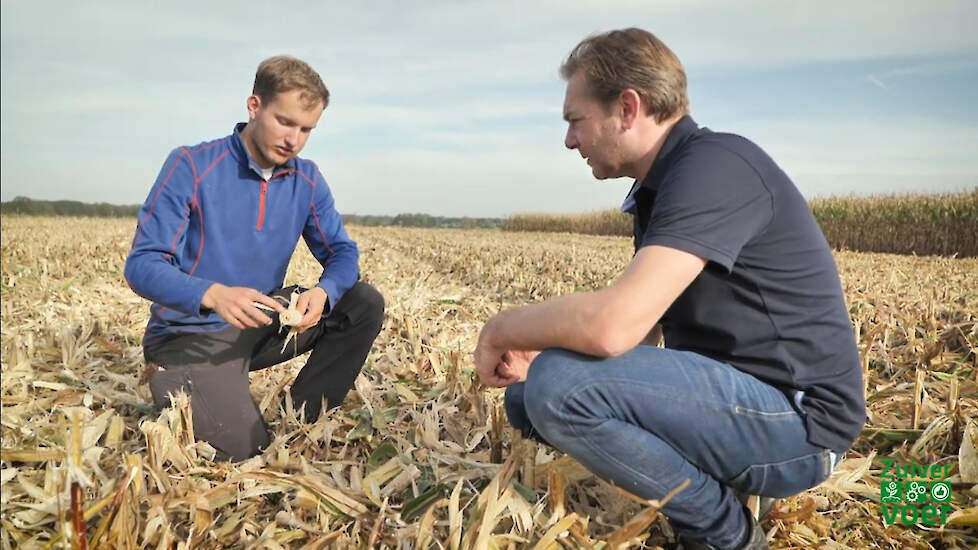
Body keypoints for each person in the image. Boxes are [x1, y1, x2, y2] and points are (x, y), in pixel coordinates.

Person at [474, 29, 864, 550]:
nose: (570, 140)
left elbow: (614, 326)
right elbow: (646, 332)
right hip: (741, 400)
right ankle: (722, 486)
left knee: (557, 386)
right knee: (528, 397)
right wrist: (545, 353)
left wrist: (504, 329)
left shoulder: (715, 166)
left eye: (575, 120)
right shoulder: (665, 183)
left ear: (628, 108)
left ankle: (725, 534)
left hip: (798, 423)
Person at [125, 56, 384, 462]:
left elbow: (342, 252)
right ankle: (179, 383)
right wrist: (212, 294)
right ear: (254, 106)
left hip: (262, 321)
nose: (294, 139)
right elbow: (142, 265)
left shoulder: (307, 179)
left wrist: (326, 291)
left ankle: (302, 419)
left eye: (306, 129)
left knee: (362, 302)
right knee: (245, 454)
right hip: (188, 336)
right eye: (285, 122)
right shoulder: (191, 166)